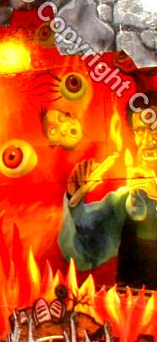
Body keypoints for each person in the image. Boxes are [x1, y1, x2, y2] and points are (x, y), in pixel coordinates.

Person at [59, 92, 157, 288]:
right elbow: (81, 254)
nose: (147, 140)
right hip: (135, 304)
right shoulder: (125, 200)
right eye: (140, 131)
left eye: (154, 129)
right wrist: (74, 195)